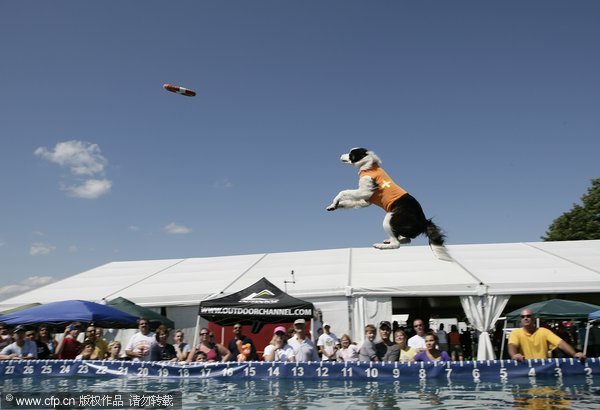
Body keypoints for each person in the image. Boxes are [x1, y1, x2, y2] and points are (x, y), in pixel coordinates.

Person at [508, 309, 585, 361]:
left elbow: (561, 344)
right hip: (525, 368)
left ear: (533, 318)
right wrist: (514, 355)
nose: (526, 318)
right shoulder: (515, 333)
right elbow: (512, 345)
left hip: (543, 368)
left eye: (528, 316)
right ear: (520, 320)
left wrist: (574, 354)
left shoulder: (544, 331)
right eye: (523, 316)